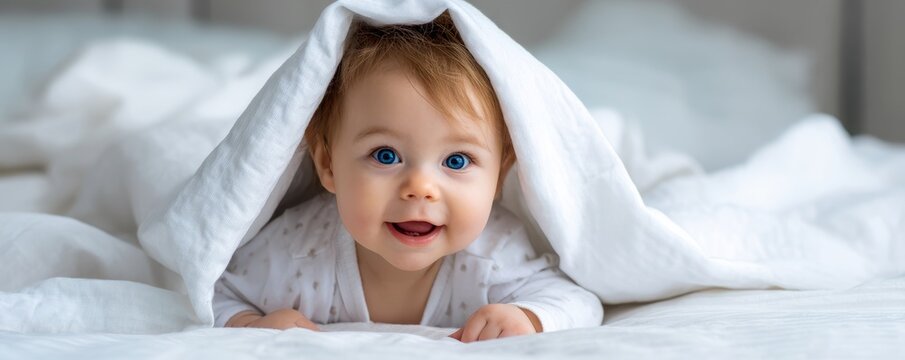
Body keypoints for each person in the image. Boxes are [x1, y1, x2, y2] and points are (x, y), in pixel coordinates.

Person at [213, 12, 603, 343]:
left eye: (456, 160)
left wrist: (528, 317)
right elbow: (214, 290)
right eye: (386, 155)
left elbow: (579, 301)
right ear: (329, 164)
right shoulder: (297, 251)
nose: (420, 188)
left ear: (499, 176)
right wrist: (251, 323)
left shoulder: (493, 255)